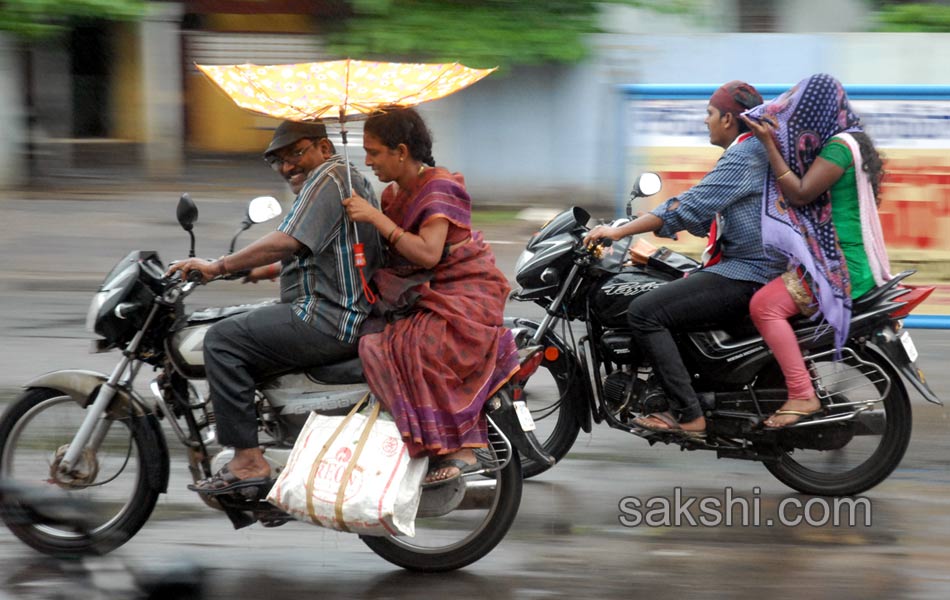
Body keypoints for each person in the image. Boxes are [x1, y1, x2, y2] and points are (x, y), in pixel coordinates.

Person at [167, 120, 383, 494]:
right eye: (278, 160)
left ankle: (248, 461)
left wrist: (218, 266)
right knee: (241, 322)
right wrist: (259, 268)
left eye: (296, 153)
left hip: (326, 316)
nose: (287, 167)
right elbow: (322, 249)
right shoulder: (338, 180)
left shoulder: (330, 177)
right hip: (333, 308)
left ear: (324, 148)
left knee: (221, 340)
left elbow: (288, 240)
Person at [584, 80, 781, 439]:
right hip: (755, 268)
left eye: (709, 113)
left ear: (727, 119)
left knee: (645, 311)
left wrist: (619, 231)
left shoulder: (744, 155)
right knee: (673, 290)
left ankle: (687, 415)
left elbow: (691, 204)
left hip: (747, 273)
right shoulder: (754, 150)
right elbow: (712, 213)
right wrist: (667, 226)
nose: (704, 120)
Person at [342, 107, 519, 486]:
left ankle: (463, 448)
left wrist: (375, 219)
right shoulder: (393, 194)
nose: (368, 161)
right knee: (375, 344)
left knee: (418, 346)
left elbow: (427, 253)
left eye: (374, 152)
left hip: (464, 293)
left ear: (401, 151)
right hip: (424, 291)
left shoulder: (438, 187)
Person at [740, 73, 890, 429]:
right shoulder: (851, 140)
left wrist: (769, 147)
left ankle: (802, 394)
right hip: (851, 259)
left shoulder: (839, 147)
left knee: (764, 306)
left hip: (843, 266)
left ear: (816, 109)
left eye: (799, 108)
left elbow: (801, 192)